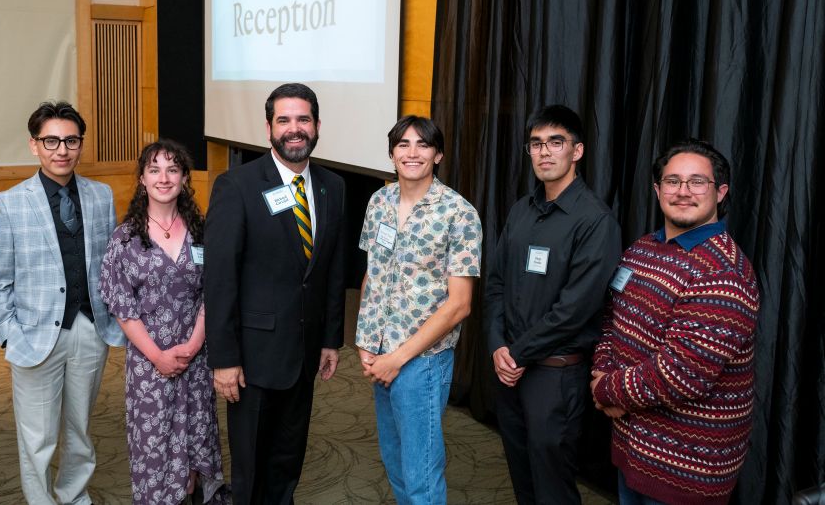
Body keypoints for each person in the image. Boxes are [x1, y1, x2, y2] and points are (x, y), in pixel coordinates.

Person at [591, 139, 759, 505]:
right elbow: (611, 320)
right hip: (634, 449)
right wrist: (602, 368)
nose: (683, 192)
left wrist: (605, 391)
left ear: (721, 192)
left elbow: (682, 373)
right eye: (672, 181)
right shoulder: (641, 249)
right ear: (657, 190)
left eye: (697, 182)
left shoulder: (724, 272)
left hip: (686, 470)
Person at [204, 82, 346, 504]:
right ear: (268, 128)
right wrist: (224, 359)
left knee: (287, 462)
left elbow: (332, 270)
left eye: (303, 119)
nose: (294, 129)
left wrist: (330, 339)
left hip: (303, 354)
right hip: (252, 357)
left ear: (317, 125)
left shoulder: (332, 186)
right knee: (250, 468)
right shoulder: (238, 185)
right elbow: (220, 278)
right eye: (284, 120)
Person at [0, 101, 125, 505]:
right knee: (38, 436)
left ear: (80, 145)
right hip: (33, 334)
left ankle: (74, 495)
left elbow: (109, 263)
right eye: (51, 141)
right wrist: (9, 334)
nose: (61, 150)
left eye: (71, 140)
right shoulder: (9, 203)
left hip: (89, 328)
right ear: (34, 145)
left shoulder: (101, 196)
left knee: (79, 428)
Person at [483, 104, 622, 505]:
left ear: (576, 151)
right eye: (536, 144)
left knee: (553, 489)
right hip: (510, 369)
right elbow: (495, 285)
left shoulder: (595, 221)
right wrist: (496, 345)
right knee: (523, 480)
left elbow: (575, 309)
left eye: (555, 142)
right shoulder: (521, 211)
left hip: (555, 378)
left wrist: (516, 352)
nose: (544, 152)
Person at [356, 116, 482, 504]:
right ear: (392, 154)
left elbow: (459, 305)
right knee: (394, 462)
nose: (412, 152)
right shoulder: (379, 201)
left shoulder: (458, 214)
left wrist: (398, 358)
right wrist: (366, 340)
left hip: (420, 363)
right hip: (380, 357)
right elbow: (372, 274)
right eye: (403, 144)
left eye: (423, 144)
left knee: (421, 475)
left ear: (438, 154)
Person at [99, 140, 229, 504]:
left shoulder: (203, 232)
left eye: (173, 169)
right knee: (155, 451)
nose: (164, 177)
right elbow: (122, 306)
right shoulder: (125, 239)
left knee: (195, 450)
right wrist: (157, 355)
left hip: (196, 359)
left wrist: (192, 345)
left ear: (185, 177)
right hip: (148, 365)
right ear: (142, 178)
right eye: (154, 169)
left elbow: (213, 291)